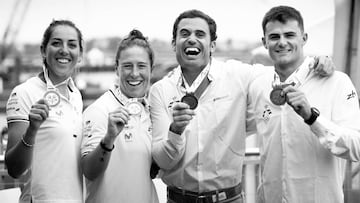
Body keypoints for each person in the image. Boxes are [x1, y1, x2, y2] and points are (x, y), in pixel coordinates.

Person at [247, 6, 360, 203]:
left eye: (290, 35)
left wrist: (312, 118)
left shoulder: (336, 82)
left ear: (304, 38)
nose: (282, 42)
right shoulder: (258, 85)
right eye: (274, 37)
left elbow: (356, 148)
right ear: (264, 42)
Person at [5, 20, 84, 202]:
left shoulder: (76, 95)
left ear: (79, 55)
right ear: (43, 50)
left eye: (72, 45)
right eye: (56, 43)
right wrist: (32, 130)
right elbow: (14, 169)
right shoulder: (24, 92)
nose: (64, 50)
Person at [80, 29, 159, 203]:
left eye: (141, 66)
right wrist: (109, 138)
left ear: (151, 69)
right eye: (127, 66)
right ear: (117, 69)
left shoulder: (153, 110)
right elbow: (89, 171)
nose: (135, 73)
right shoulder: (99, 110)